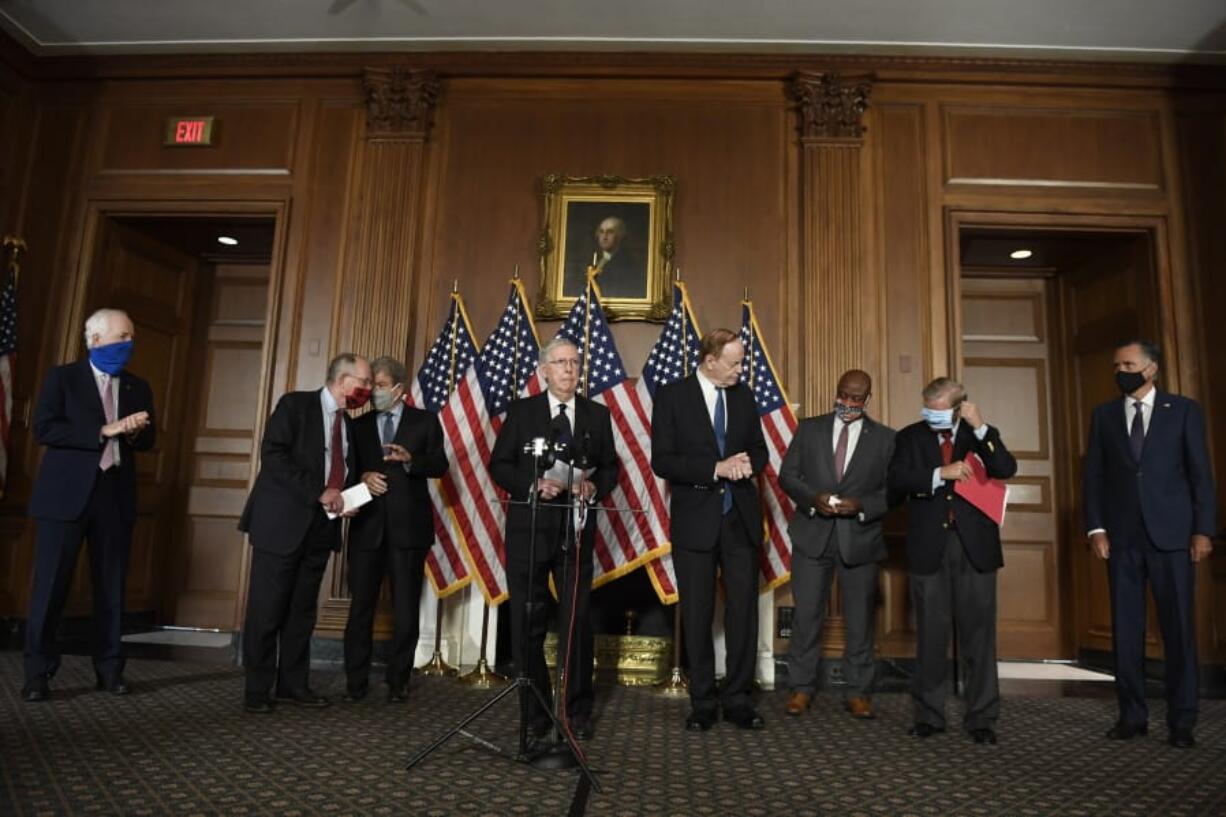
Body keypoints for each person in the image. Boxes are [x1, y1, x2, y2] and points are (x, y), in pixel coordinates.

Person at [1084, 339, 1215, 749]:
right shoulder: (1103, 415)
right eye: (1116, 364)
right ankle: (1132, 716)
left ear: (1151, 368)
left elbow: (1201, 476)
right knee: (1126, 631)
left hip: (1173, 538)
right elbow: (1094, 478)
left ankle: (1182, 722)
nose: (1120, 369)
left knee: (1178, 631)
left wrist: (1203, 531)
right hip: (1121, 540)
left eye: (1129, 363)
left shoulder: (1184, 411)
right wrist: (1096, 529)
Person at [488, 337, 618, 742]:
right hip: (530, 530)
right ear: (543, 370)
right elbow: (500, 463)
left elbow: (611, 467)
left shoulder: (597, 415)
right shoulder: (523, 412)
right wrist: (533, 483)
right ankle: (537, 710)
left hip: (575, 531)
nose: (569, 370)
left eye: (575, 363)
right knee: (527, 621)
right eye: (560, 363)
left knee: (576, 622)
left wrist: (593, 486)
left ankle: (576, 710)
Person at [22, 308, 155, 702]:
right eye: (120, 338)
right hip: (65, 498)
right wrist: (102, 430)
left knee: (111, 587)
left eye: (131, 337)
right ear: (95, 340)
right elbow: (45, 428)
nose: (127, 345)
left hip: (113, 495)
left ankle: (110, 670)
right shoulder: (63, 378)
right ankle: (37, 673)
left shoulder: (136, 386)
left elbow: (148, 442)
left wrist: (132, 434)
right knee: (50, 588)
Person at [238, 353, 372, 714]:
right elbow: (275, 456)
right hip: (280, 524)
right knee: (267, 610)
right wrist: (320, 491)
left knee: (301, 612)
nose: (369, 390)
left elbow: (340, 472)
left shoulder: (349, 424)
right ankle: (257, 689)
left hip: (320, 528)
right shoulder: (295, 405)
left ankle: (293, 684)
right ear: (344, 381)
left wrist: (345, 498)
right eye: (365, 382)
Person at [651, 328, 769, 732]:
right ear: (710, 360)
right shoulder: (672, 396)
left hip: (740, 519)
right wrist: (714, 469)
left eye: (741, 361)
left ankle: (737, 698)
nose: (741, 369)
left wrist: (747, 464)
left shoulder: (744, 395)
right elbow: (662, 460)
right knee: (698, 615)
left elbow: (760, 449)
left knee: (743, 614)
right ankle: (702, 701)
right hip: (696, 521)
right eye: (734, 362)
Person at [888, 377, 1016, 744]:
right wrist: (936, 475)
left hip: (975, 548)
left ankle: (982, 718)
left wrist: (982, 427)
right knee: (931, 634)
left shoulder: (980, 434)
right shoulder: (910, 437)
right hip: (930, 547)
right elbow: (895, 483)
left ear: (960, 408)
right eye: (927, 408)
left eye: (939, 410)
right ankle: (929, 715)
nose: (930, 415)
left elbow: (1005, 468)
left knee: (979, 636)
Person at [779, 369, 895, 720]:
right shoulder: (810, 428)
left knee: (860, 621)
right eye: (843, 395)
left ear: (867, 399)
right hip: (812, 535)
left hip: (860, 539)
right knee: (807, 617)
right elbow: (788, 476)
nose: (847, 403)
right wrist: (813, 498)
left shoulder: (886, 439)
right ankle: (800, 688)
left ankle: (858, 693)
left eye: (856, 398)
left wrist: (862, 506)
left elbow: (892, 491)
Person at [343, 356, 448, 703]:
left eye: (382, 386)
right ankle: (355, 683)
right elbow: (344, 473)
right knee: (361, 608)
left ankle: (398, 680)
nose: (374, 392)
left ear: (400, 389)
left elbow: (440, 465)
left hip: (409, 531)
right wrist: (361, 477)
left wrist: (411, 461)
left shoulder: (425, 422)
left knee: (405, 609)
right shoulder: (357, 425)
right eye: (372, 385)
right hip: (366, 529)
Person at [588, 216, 644, 298]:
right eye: (601, 232)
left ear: (620, 236)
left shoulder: (628, 264)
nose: (604, 237)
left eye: (610, 232)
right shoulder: (593, 260)